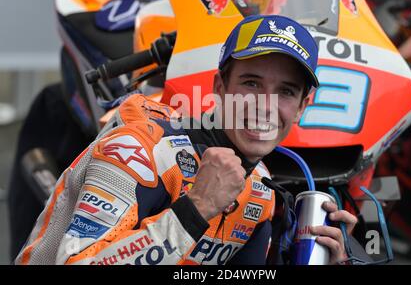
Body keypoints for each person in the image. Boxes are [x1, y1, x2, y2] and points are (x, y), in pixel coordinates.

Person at [15, 14, 357, 265]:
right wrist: (196, 209)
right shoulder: (136, 149)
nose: (265, 106)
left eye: (285, 91)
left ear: (302, 107)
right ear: (220, 88)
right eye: (251, 83)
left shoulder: (260, 189)